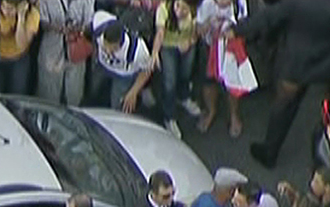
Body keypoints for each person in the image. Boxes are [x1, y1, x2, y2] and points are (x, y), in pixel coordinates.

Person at [229, 0, 330, 167]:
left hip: (297, 63)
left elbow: (269, 17)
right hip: (327, 64)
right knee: (298, 100)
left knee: (283, 106)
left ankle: (269, 152)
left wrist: (236, 30)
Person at [195, 0, 246, 138]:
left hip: (230, 48)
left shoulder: (240, 3)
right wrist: (208, 26)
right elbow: (198, 30)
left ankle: (234, 115)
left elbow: (245, 26)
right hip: (209, 46)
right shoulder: (206, 4)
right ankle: (211, 110)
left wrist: (231, 33)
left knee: (231, 84)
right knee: (208, 80)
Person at [151, 0, 201, 138]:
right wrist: (155, 52)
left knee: (186, 73)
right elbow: (160, 33)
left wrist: (190, 41)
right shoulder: (164, 9)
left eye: (184, 9)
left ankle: (184, 97)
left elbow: (198, 31)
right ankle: (169, 117)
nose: (179, 11)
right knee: (169, 81)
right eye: (177, 5)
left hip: (188, 44)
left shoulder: (196, 9)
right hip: (168, 46)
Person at [90, 10, 152, 112]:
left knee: (117, 106)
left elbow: (146, 70)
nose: (109, 52)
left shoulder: (138, 50)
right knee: (93, 93)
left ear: (120, 43)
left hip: (124, 75)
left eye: (113, 49)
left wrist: (133, 92)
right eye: (105, 48)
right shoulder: (99, 24)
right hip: (101, 67)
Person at [36, 0, 93, 106]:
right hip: (52, 48)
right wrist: (59, 29)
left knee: (74, 93)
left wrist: (78, 29)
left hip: (76, 48)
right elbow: (42, 22)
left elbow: (89, 23)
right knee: (48, 94)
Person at [0, 0, 40, 94]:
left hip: (18, 60)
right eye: (4, 7)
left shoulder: (32, 15)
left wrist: (21, 18)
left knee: (17, 93)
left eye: (10, 9)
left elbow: (21, 43)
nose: (6, 11)